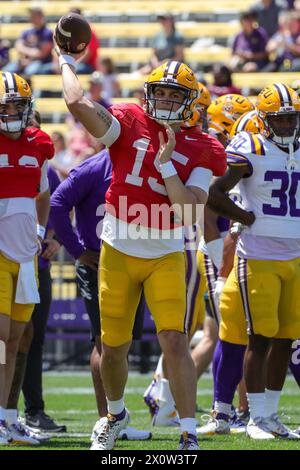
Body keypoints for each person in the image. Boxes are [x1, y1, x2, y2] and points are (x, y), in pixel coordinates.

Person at [55, 44, 226, 450]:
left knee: (174, 340)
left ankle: (187, 432)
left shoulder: (203, 147)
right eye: (160, 92)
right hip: (118, 245)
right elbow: (77, 102)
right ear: (149, 94)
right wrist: (67, 61)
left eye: (174, 94)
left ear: (189, 102)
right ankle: (115, 415)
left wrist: (167, 163)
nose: (165, 100)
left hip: (165, 249)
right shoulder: (129, 120)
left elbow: (187, 210)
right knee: (112, 348)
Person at [208, 83, 300, 440]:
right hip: (258, 256)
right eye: (281, 120)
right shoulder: (252, 147)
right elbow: (215, 194)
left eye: (292, 118)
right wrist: (245, 218)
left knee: (285, 338)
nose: (289, 126)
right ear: (264, 121)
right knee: (259, 339)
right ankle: (254, 419)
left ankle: (271, 416)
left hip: (294, 257)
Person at [50, 149, 151, 443]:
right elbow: (57, 203)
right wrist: (78, 250)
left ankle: (115, 416)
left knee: (120, 345)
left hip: (133, 261)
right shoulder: (94, 168)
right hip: (99, 263)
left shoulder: (140, 161)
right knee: (106, 343)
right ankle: (106, 420)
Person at [0, 72, 54, 445]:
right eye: (5, 106)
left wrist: (40, 232)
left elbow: (44, 192)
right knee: (1, 339)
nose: (11, 111)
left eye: (17, 105)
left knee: (17, 340)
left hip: (26, 257)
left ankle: (6, 416)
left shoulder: (40, 143)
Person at [6, 7, 53, 75]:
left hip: (41, 62)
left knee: (29, 72)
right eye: (31, 15)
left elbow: (42, 54)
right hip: (24, 60)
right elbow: (18, 46)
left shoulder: (48, 32)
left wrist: (26, 52)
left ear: (41, 17)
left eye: (35, 15)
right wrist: (31, 52)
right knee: (6, 72)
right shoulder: (27, 31)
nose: (32, 18)